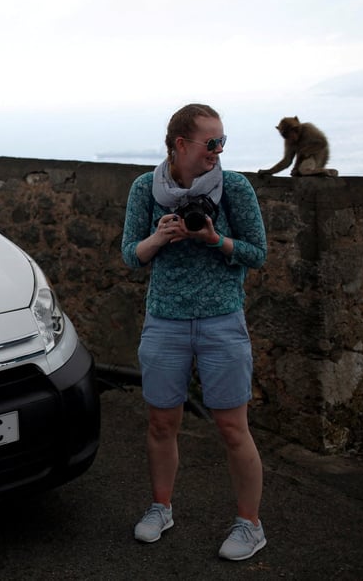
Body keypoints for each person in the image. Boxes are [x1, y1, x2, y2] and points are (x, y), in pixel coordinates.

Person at [120, 103, 268, 561]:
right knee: (163, 422)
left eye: (222, 142)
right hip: (165, 319)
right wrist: (159, 238)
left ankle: (250, 524)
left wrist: (215, 240)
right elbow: (130, 255)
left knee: (231, 426)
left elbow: (257, 252)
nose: (218, 151)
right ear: (180, 145)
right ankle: (160, 507)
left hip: (221, 319)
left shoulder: (235, 187)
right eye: (211, 142)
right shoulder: (145, 188)